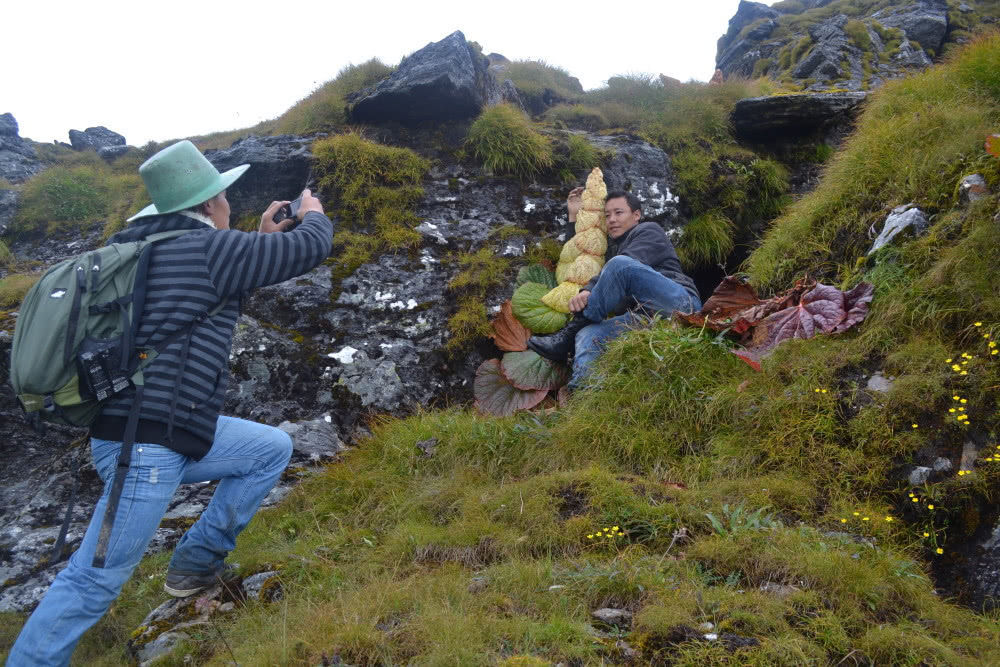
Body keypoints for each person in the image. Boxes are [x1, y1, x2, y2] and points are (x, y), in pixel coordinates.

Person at [6, 140, 333, 666]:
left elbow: (215, 277)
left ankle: (194, 565)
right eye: (224, 196)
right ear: (208, 205)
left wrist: (258, 239)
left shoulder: (154, 252)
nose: (229, 204)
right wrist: (312, 214)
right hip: (146, 450)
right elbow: (309, 249)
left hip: (159, 433)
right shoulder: (206, 252)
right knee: (94, 580)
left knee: (269, 449)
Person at [528, 189, 701, 389]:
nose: (611, 220)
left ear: (636, 215)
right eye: (607, 215)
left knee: (619, 264)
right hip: (645, 318)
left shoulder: (649, 231)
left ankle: (568, 335)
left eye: (619, 213)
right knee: (589, 335)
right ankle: (586, 396)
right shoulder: (613, 251)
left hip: (681, 307)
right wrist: (574, 217)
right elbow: (580, 255)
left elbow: (624, 265)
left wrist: (589, 290)